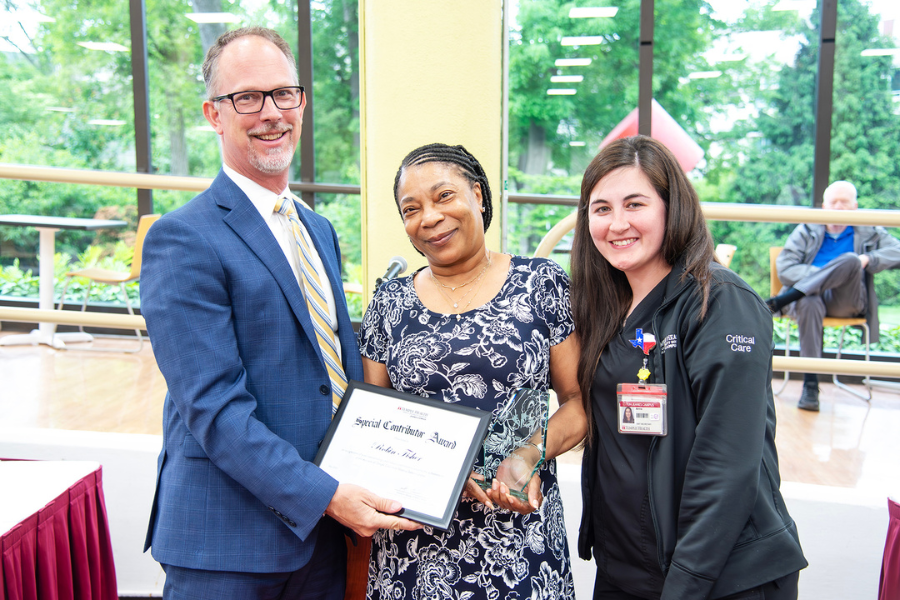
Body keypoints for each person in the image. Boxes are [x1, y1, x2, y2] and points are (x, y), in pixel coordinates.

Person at [140, 27, 418, 599]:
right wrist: (325, 494)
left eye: (283, 94)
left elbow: (330, 370)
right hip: (227, 544)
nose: (270, 113)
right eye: (247, 98)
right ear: (214, 114)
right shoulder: (182, 238)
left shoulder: (317, 229)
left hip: (321, 539)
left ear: (302, 102)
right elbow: (214, 408)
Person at [570, 136, 807, 600]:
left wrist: (686, 585)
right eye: (601, 209)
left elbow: (726, 464)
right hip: (626, 568)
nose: (617, 224)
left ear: (670, 206)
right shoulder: (604, 304)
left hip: (717, 576)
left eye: (634, 204)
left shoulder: (718, 302)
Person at [358, 143, 587, 600]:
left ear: (479, 196)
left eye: (444, 196)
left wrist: (529, 455)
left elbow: (580, 402)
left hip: (521, 542)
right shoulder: (388, 304)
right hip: (414, 550)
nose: (429, 217)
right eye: (411, 208)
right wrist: (434, 472)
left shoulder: (541, 283)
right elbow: (372, 426)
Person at [765, 180, 900, 411]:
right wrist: (825, 275)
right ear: (824, 205)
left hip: (845, 301)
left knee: (850, 260)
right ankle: (810, 385)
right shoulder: (807, 229)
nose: (838, 207)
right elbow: (785, 268)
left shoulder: (869, 230)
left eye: (844, 202)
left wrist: (867, 260)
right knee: (808, 301)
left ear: (855, 206)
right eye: (833, 202)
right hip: (809, 300)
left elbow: (897, 251)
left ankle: (783, 300)